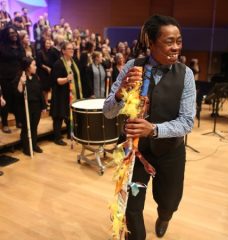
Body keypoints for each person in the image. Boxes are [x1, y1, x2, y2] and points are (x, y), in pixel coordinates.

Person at [103, 15, 196, 239]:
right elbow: (108, 111)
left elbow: (187, 122)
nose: (176, 47)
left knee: (169, 201)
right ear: (151, 43)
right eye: (169, 41)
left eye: (179, 41)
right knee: (132, 208)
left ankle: (165, 215)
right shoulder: (131, 67)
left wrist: (153, 129)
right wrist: (119, 92)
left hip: (170, 152)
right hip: (136, 152)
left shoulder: (186, 75)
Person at [50, 41, 83, 145]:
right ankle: (57, 138)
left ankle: (70, 133)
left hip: (72, 93)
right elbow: (56, 80)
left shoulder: (74, 62)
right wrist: (67, 79)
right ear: (63, 51)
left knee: (70, 114)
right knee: (59, 116)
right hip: (60, 94)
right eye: (69, 49)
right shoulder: (58, 64)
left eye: (72, 48)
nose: (72, 50)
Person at [16, 57, 46, 156]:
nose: (36, 67)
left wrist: (43, 106)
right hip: (26, 107)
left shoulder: (36, 77)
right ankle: (26, 147)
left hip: (36, 106)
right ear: (28, 67)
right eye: (34, 65)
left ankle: (34, 144)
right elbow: (18, 93)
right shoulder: (21, 77)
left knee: (34, 126)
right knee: (26, 127)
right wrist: (21, 83)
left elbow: (40, 92)